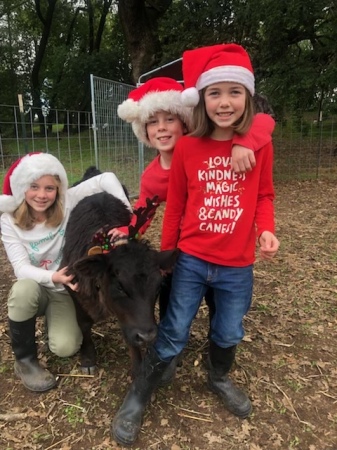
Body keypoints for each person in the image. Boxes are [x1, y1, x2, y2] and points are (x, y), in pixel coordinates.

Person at [112, 43, 280, 446]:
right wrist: (167, 258)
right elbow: (175, 209)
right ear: (202, 99)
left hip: (237, 265)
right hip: (191, 259)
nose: (224, 102)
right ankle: (138, 395)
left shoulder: (259, 144)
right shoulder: (188, 147)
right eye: (215, 93)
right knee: (173, 329)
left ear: (248, 98)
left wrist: (265, 229)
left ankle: (219, 374)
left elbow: (264, 195)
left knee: (228, 330)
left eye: (235, 92)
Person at [111, 76, 275, 320]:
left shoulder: (201, 149)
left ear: (185, 123)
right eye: (153, 122)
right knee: (171, 289)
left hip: (217, 243)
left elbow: (263, 120)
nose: (162, 128)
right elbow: (144, 210)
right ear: (144, 131)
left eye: (170, 119)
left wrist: (245, 141)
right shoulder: (153, 176)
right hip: (184, 248)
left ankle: (217, 333)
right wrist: (128, 230)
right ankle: (169, 334)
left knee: (216, 300)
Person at [0, 152, 131, 392]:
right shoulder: (9, 220)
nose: (42, 195)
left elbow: (107, 178)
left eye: (50, 188)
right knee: (23, 290)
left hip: (64, 289)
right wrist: (54, 276)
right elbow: (20, 268)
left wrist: (128, 220)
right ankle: (25, 361)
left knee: (65, 347)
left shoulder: (66, 202)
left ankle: (55, 319)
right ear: (21, 189)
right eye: (33, 186)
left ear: (58, 188)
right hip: (38, 286)